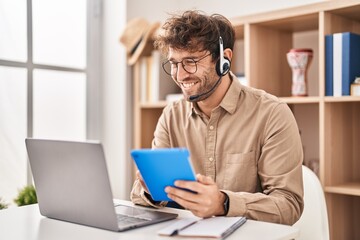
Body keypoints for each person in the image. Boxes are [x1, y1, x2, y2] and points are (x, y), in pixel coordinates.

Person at [130, 10, 304, 225]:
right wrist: (150, 190)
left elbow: (289, 205)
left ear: (224, 59)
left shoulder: (272, 114)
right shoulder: (171, 115)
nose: (181, 75)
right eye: (174, 63)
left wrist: (224, 203)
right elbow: (139, 194)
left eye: (191, 61)